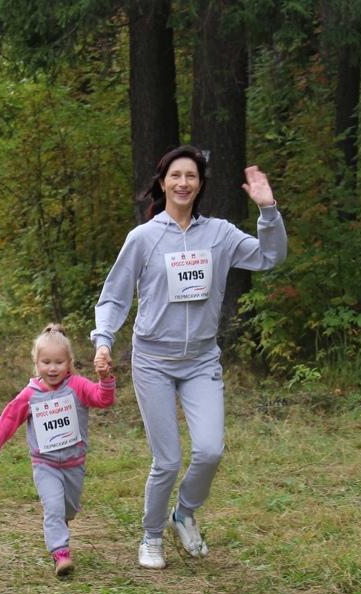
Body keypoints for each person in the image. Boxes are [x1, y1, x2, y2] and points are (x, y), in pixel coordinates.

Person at [91, 145, 287, 570]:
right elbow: (115, 296)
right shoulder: (143, 238)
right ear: (163, 183)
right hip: (153, 361)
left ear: (200, 185)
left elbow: (270, 257)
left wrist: (268, 210)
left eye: (191, 177)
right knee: (168, 460)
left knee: (211, 450)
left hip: (200, 360)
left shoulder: (218, 234)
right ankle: (151, 536)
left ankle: (185, 512)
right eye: (175, 176)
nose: (183, 183)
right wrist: (103, 340)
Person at [0, 324, 115, 577]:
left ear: (68, 363)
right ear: (36, 363)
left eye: (58, 362)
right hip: (45, 465)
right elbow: (10, 418)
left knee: (68, 509)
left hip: (75, 464)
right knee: (53, 507)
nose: (52, 368)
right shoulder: (30, 394)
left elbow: (103, 399)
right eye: (46, 362)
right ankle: (60, 553)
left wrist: (106, 380)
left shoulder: (77, 386)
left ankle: (61, 523)